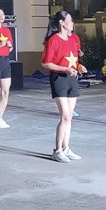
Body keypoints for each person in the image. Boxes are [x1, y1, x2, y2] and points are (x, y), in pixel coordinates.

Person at [41, 10, 86, 163]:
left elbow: (73, 61)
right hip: (59, 79)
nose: (72, 23)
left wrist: (79, 67)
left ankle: (66, 148)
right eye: (70, 20)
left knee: (70, 117)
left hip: (72, 79)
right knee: (65, 116)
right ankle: (57, 150)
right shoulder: (53, 40)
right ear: (62, 23)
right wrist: (65, 69)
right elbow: (46, 63)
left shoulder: (73, 39)